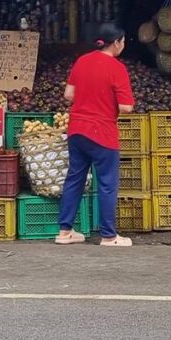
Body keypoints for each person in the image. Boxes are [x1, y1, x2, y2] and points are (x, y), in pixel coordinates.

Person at [56, 22, 136, 247]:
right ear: (117, 42)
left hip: (77, 129)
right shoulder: (117, 68)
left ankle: (64, 232)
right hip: (102, 132)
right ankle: (109, 236)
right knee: (107, 184)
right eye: (123, 41)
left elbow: (69, 94)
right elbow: (126, 107)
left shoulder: (82, 61)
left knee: (74, 179)